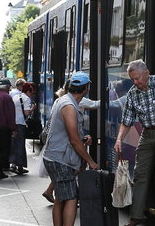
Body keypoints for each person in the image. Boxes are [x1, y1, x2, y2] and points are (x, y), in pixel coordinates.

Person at [114, 60, 155, 226]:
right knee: (140, 173)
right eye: (132, 79)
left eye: (137, 78)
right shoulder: (133, 93)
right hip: (147, 133)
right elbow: (127, 121)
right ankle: (136, 215)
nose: (135, 82)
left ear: (146, 72)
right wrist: (119, 139)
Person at [42, 72, 98, 226]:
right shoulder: (69, 106)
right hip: (59, 159)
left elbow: (69, 133)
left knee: (61, 197)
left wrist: (83, 138)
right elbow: (73, 140)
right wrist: (90, 161)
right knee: (72, 197)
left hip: (56, 156)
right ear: (86, 88)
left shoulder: (65, 101)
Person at [9, 81, 33, 175]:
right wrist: (32, 109)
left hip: (13, 123)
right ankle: (18, 166)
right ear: (29, 91)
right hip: (21, 124)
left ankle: (15, 165)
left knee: (15, 145)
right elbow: (26, 113)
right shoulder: (27, 99)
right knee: (20, 145)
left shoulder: (15, 97)